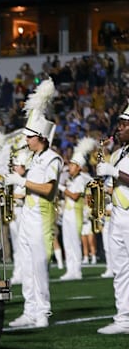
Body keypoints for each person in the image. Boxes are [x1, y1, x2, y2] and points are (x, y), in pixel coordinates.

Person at [5, 95, 63, 329]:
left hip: (41, 219)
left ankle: (43, 313)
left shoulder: (53, 159)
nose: (26, 140)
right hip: (28, 218)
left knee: (39, 268)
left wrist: (21, 181)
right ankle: (29, 311)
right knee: (27, 267)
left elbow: (48, 189)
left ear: (40, 138)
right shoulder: (34, 159)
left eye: (29, 136)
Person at [95, 102, 129, 334]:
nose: (119, 128)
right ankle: (123, 318)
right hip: (117, 215)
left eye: (125, 124)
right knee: (120, 269)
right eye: (119, 124)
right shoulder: (118, 153)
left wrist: (113, 172)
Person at [59, 139, 95, 280]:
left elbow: (74, 196)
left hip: (75, 214)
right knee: (67, 242)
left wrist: (61, 188)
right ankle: (70, 270)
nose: (70, 167)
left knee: (74, 242)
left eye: (73, 165)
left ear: (79, 167)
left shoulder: (81, 179)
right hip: (67, 213)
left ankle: (77, 270)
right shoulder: (71, 179)